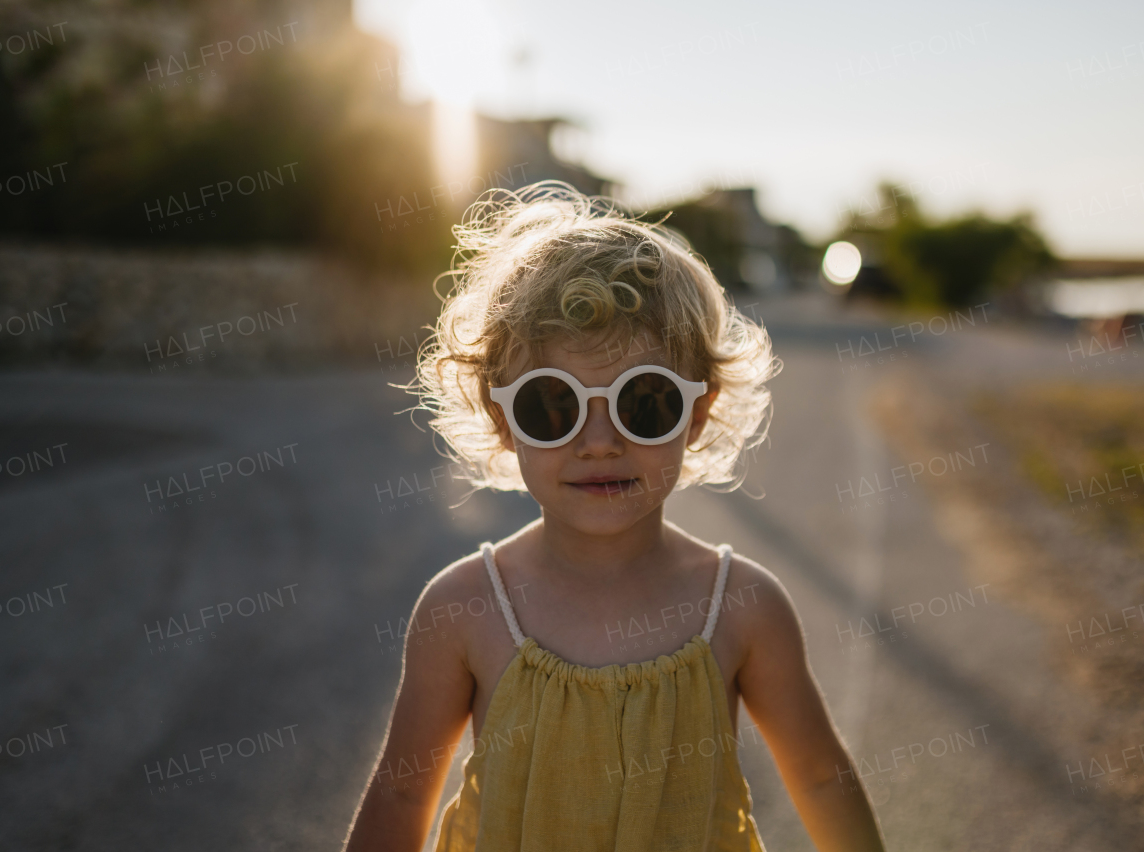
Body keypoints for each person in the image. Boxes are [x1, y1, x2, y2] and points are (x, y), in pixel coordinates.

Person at [344, 182, 887, 852]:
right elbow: (401, 793)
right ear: (502, 418)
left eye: (644, 402)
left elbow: (821, 778)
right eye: (552, 405)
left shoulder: (742, 606)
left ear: (696, 414)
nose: (599, 442)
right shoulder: (464, 608)